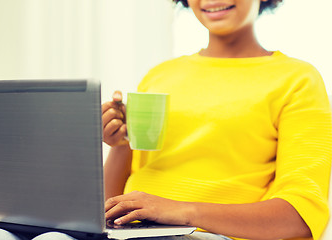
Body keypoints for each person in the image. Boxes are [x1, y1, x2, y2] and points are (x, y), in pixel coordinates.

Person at [103, 0, 332, 240]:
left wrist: (180, 210)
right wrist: (119, 144)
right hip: (129, 233)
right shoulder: (158, 76)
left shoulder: (297, 80)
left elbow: (299, 218)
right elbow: (111, 206)